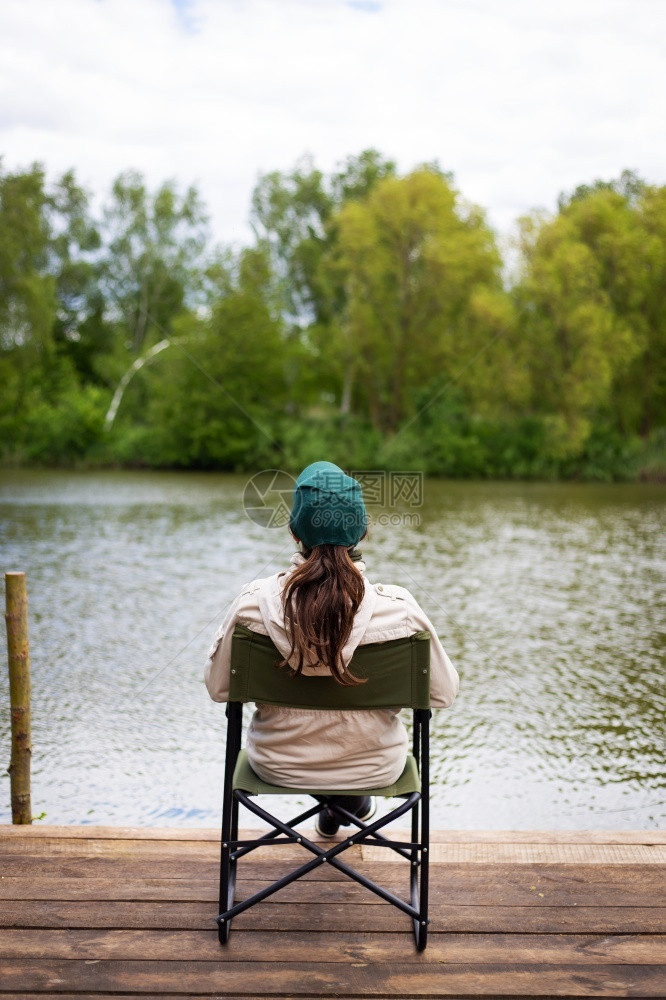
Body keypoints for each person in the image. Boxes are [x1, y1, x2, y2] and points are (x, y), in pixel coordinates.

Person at [204, 461, 459, 837]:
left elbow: (218, 688)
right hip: (374, 768)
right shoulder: (401, 610)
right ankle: (347, 803)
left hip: (278, 764)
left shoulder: (250, 605)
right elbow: (442, 693)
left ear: (294, 533)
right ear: (362, 534)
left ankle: (342, 804)